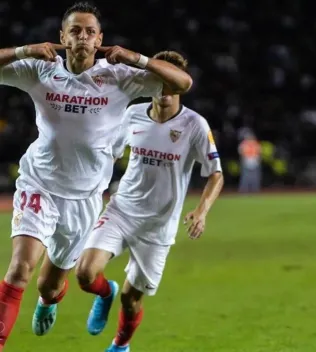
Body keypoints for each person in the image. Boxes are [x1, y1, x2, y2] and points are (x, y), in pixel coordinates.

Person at [0, 2, 192, 348]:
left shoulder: (119, 77)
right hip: (39, 184)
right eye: (75, 31)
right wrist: (24, 49)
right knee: (18, 270)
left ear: (100, 39)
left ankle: (58, 299)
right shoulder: (41, 70)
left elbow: (182, 83)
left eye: (90, 32)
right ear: (62, 37)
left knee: (49, 286)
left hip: (84, 196)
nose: (83, 38)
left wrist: (137, 58)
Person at [75, 51, 224, 352]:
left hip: (159, 226)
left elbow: (216, 174)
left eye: (172, 84)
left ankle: (120, 345)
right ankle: (106, 293)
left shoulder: (194, 125)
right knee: (84, 273)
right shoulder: (132, 114)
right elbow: (111, 153)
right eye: (159, 82)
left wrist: (201, 211)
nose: (165, 91)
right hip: (122, 210)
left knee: (132, 300)